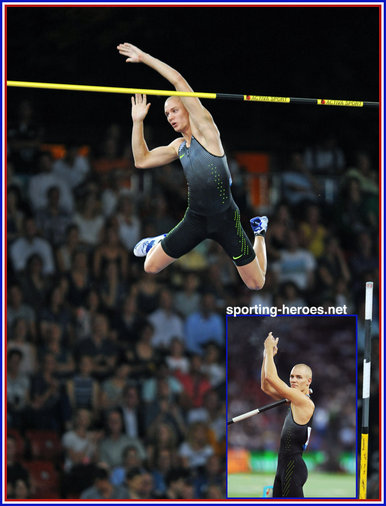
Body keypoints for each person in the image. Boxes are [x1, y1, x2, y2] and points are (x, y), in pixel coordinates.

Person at [117, 42, 267, 291]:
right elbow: (141, 160)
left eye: (175, 110)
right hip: (195, 219)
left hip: (226, 220)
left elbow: (177, 79)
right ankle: (163, 240)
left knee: (256, 284)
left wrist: (144, 57)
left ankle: (259, 231)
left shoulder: (208, 132)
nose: (171, 117)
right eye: (167, 115)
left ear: (188, 109)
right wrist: (137, 122)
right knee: (150, 267)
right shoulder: (178, 146)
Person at [261, 332, 315, 498]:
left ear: (309, 381)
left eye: (299, 377)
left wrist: (269, 350)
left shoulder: (303, 401)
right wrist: (266, 356)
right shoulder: (294, 399)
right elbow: (265, 386)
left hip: (293, 468)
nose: (293, 380)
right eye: (292, 376)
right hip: (282, 469)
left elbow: (271, 376)